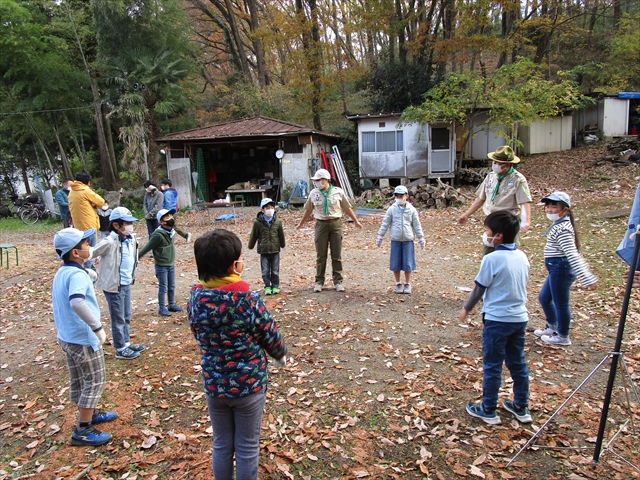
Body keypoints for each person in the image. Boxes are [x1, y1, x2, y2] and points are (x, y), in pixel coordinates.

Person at [187, 228, 287, 479]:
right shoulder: (247, 300)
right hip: (249, 386)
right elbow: (269, 332)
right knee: (246, 446)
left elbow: (197, 331)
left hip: (214, 383)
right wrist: (279, 354)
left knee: (221, 443)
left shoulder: (195, 299)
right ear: (234, 266)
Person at [459, 211, 532, 425]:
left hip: (497, 319)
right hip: (519, 318)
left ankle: (488, 408)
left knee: (492, 364)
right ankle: (521, 405)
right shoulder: (522, 256)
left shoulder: (492, 259)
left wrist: (466, 308)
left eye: (487, 231)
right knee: (517, 362)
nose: (485, 235)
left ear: (498, 235)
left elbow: (479, 289)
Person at [52, 227, 117, 446]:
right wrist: (97, 327)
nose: (90, 246)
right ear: (75, 253)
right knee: (95, 380)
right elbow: (77, 301)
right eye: (85, 245)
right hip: (83, 337)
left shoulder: (64, 272)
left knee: (81, 378)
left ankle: (91, 413)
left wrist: (86, 273)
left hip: (67, 336)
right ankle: (83, 429)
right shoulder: (76, 275)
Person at [534, 192, 597, 346]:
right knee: (544, 298)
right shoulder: (559, 225)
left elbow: (572, 254)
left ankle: (563, 336)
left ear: (565, 210)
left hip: (561, 268)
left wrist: (586, 277)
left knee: (560, 303)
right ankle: (553, 327)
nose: (549, 210)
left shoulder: (563, 229)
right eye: (547, 206)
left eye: (554, 206)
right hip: (555, 268)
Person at [296, 169, 363, 292]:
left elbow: (347, 208)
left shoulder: (338, 192)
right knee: (321, 255)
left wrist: (356, 221)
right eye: (315, 180)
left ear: (326, 180)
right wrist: (301, 223)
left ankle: (338, 281)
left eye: (318, 180)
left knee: (336, 255)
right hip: (321, 225)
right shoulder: (314, 193)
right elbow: (308, 210)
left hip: (335, 224)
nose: (316, 183)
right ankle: (319, 282)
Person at [92, 207, 146, 360]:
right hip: (114, 285)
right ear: (116, 225)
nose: (130, 226)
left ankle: (126, 342)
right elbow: (92, 253)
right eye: (127, 223)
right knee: (118, 317)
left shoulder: (131, 239)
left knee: (126, 314)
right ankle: (120, 347)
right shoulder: (109, 241)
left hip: (126, 282)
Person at [457, 146, 532, 255]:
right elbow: (481, 198)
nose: (495, 164)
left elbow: (525, 202)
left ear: (507, 164)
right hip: (492, 222)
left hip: (508, 222)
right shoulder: (491, 176)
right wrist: (467, 214)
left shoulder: (518, 179)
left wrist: (526, 222)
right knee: (488, 252)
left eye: (498, 162)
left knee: (508, 253)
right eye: (494, 161)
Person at [375, 185, 425, 294]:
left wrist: (421, 237)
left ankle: (407, 283)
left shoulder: (411, 210)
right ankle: (397, 283)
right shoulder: (392, 209)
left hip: (408, 240)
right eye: (397, 196)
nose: (399, 198)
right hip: (396, 239)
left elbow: (416, 225)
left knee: (408, 263)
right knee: (395, 263)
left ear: (406, 196)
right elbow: (385, 223)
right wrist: (380, 236)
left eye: (401, 195)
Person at [138, 208, 183, 316]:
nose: (170, 218)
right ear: (161, 222)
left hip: (170, 263)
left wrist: (186, 236)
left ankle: (171, 304)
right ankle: (162, 308)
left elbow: (181, 231)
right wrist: (136, 257)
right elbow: (147, 247)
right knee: (163, 287)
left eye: (170, 216)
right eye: (167, 217)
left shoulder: (171, 231)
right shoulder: (158, 234)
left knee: (171, 286)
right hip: (161, 265)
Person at [248, 198, 286, 295]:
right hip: (263, 250)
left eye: (272, 207)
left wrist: (282, 244)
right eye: (267, 207)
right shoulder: (257, 222)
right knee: (265, 271)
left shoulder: (278, 221)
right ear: (262, 210)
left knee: (275, 270)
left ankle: (275, 286)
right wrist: (250, 245)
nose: (270, 209)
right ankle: (267, 286)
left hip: (275, 250)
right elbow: (254, 235)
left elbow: (280, 234)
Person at [68, 170, 105, 269]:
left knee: (82, 250)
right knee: (89, 252)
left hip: (78, 226)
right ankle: (90, 273)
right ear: (88, 182)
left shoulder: (72, 191)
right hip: (89, 225)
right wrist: (94, 204)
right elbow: (101, 202)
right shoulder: (85, 190)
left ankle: (86, 269)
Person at [160, 178, 192, 243]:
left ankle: (186, 235)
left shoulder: (167, 193)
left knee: (172, 226)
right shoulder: (171, 192)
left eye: (163, 185)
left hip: (169, 212)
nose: (162, 186)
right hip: (172, 211)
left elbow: (168, 204)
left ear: (167, 185)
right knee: (171, 226)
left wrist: (166, 214)